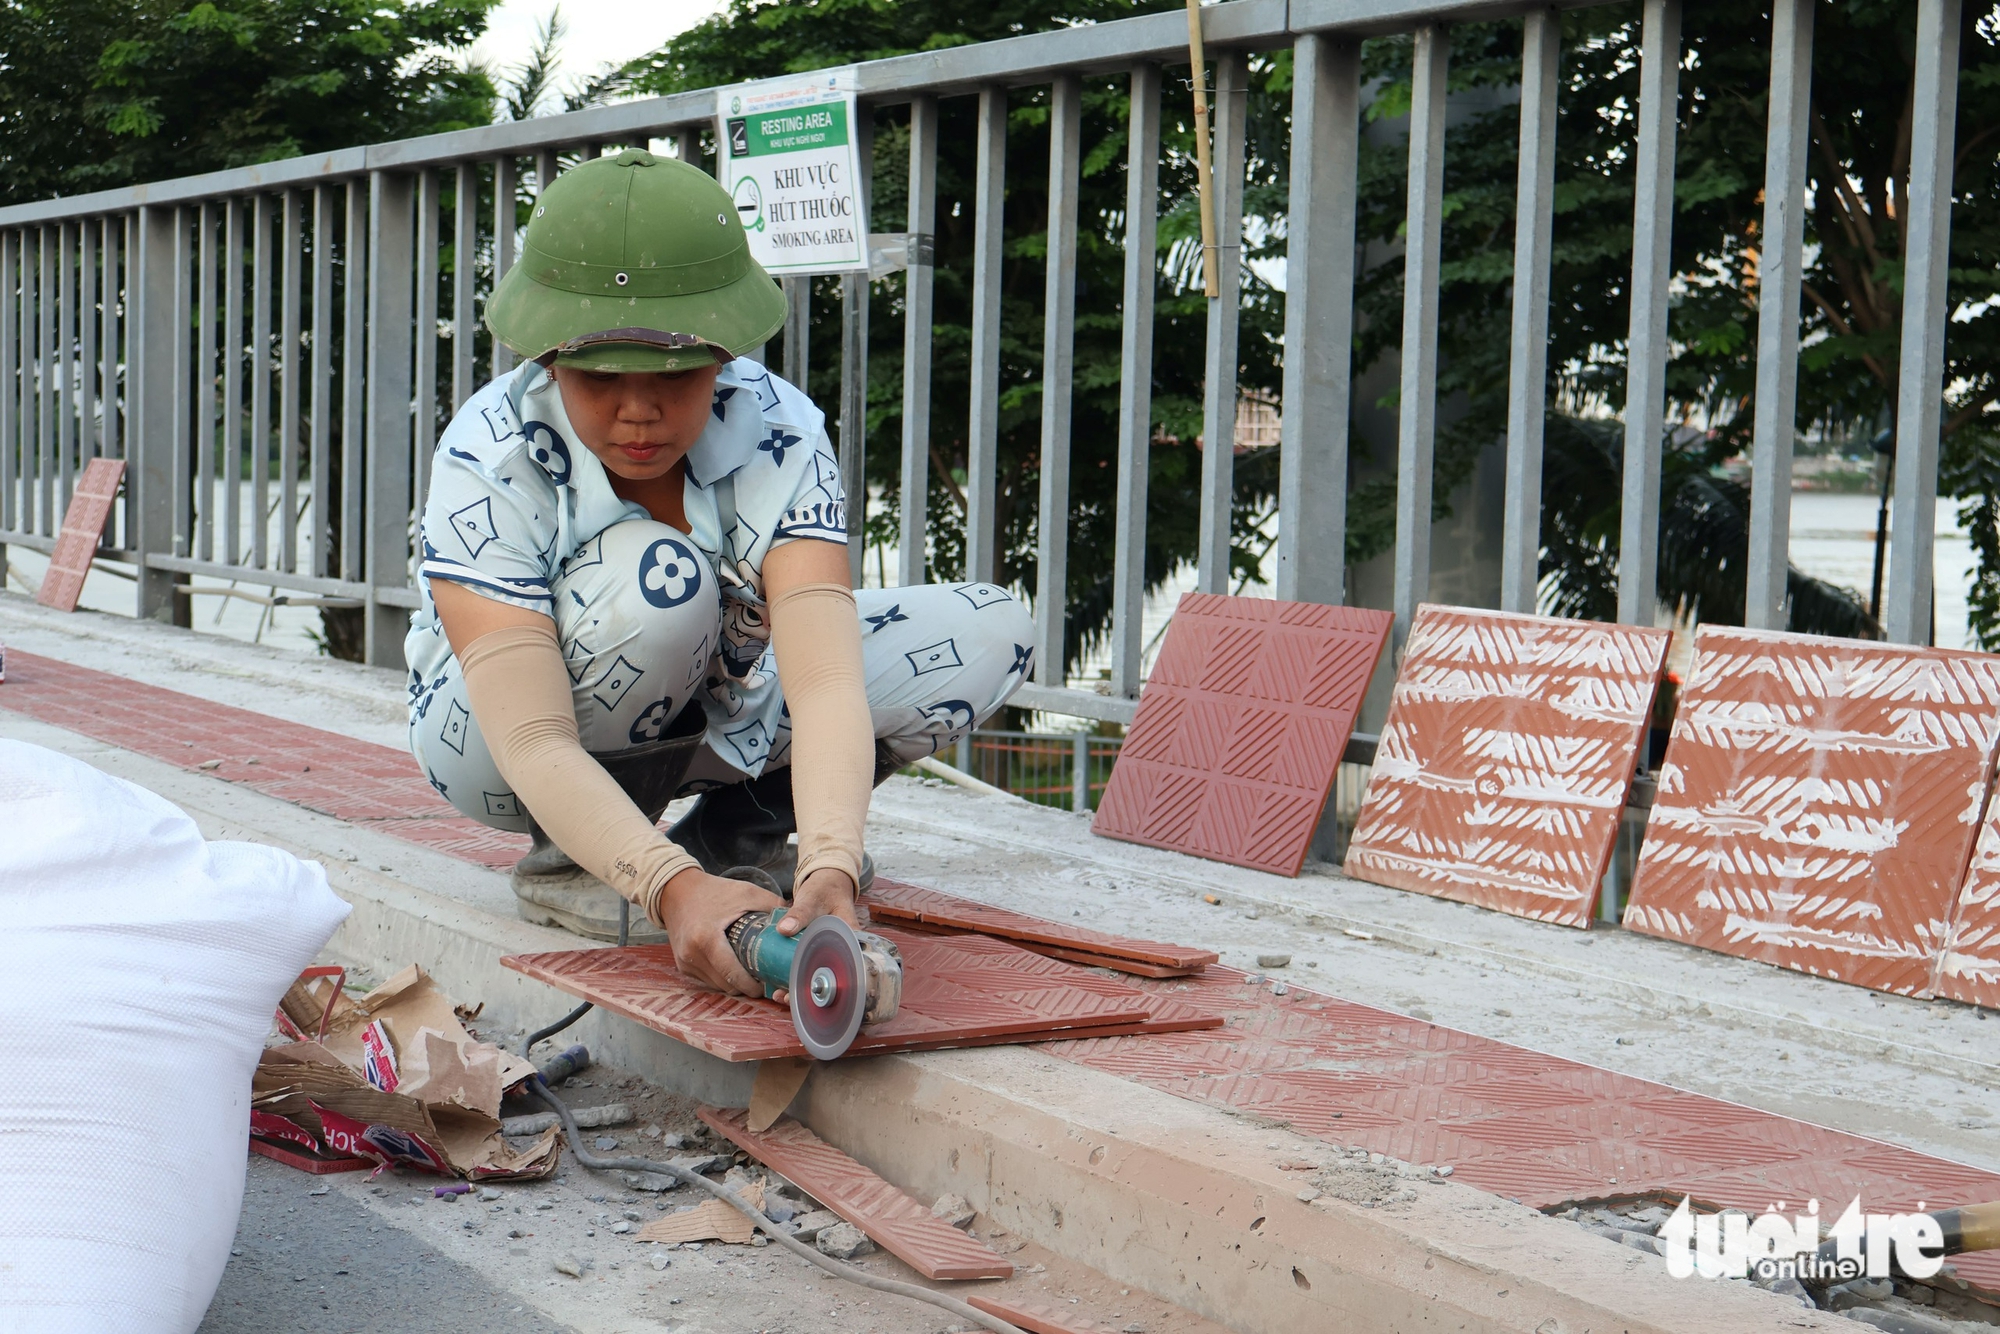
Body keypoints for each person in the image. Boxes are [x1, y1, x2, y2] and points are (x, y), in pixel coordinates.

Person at [403, 149, 1032, 996]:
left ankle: (738, 843)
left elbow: (825, 681)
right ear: (549, 359)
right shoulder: (491, 452)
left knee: (991, 629)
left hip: (712, 701)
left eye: (674, 374)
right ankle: (572, 864)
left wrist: (832, 864)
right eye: (601, 376)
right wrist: (672, 894)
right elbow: (532, 738)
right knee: (656, 577)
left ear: (722, 354)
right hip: (495, 744)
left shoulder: (780, 427)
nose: (639, 410)